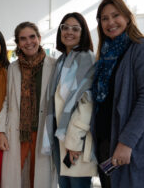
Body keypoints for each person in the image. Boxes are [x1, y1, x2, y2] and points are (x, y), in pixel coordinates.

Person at [91, 0, 144, 188]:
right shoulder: (105, 55)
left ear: (127, 17)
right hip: (107, 144)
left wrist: (126, 142)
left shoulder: (142, 49)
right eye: (104, 18)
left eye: (115, 15)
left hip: (134, 146)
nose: (110, 22)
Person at [0, 21, 57, 188]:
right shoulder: (13, 68)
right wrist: (1, 131)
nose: (28, 42)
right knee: (15, 177)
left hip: (43, 130)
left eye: (32, 37)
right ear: (18, 44)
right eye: (23, 39)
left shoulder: (54, 65)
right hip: (17, 131)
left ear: (39, 38)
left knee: (38, 178)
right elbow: (7, 101)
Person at [44, 12, 97, 188]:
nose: (69, 32)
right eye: (65, 27)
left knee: (77, 184)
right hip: (60, 136)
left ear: (83, 33)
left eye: (75, 28)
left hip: (76, 139)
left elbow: (87, 102)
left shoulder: (86, 57)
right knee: (65, 185)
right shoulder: (61, 60)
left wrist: (73, 142)